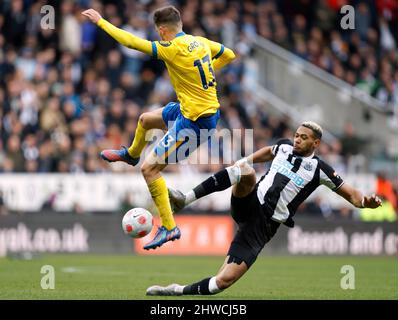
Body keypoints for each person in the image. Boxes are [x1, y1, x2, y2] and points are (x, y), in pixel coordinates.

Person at [146, 121, 382, 296]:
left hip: (264, 226)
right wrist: (246, 160)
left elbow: (352, 195)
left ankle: (175, 291)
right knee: (245, 170)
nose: (297, 139)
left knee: (223, 282)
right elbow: (267, 152)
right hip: (249, 202)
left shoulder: (321, 170)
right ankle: (184, 199)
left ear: (315, 143)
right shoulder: (283, 147)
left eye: (303, 137)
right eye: (296, 135)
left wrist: (365, 203)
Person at [82, 6, 235, 250]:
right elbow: (229, 55)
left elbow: (132, 43)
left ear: (162, 31)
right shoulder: (200, 42)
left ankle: (169, 226)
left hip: (196, 122)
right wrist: (203, 74)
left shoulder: (171, 48)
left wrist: (101, 22)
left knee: (150, 169)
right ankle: (131, 154)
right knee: (145, 120)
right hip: (190, 108)